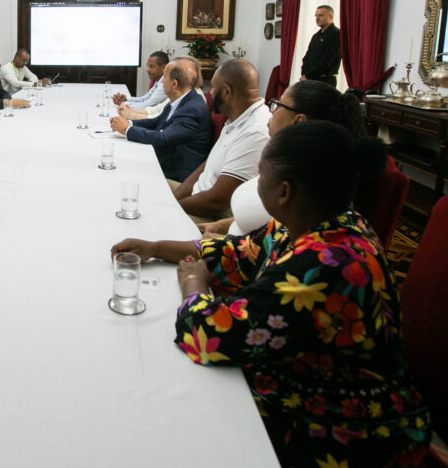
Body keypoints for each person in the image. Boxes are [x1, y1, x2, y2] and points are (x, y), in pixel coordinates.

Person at [111, 122, 431, 467]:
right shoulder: (318, 221)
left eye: (261, 175)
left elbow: (211, 335)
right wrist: (156, 247)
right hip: (312, 383)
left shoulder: (323, 267)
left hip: (346, 428)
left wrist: (193, 283)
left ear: (284, 192)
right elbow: (238, 252)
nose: (256, 182)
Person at [200, 81, 364, 237]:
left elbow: (270, 247)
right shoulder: (293, 163)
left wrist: (218, 243)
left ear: (298, 121)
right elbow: (268, 229)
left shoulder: (305, 184)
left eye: (278, 105)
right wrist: (220, 226)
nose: (271, 111)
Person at [173, 59, 271, 223]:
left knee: (148, 219)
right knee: (145, 188)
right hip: (198, 197)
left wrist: (171, 207)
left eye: (213, 87)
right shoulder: (238, 116)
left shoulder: (256, 131)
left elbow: (217, 202)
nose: (210, 93)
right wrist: (175, 199)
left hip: (212, 216)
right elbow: (207, 166)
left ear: (226, 91)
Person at [109, 57, 212, 182]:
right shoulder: (181, 99)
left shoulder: (192, 109)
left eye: (165, 77)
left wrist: (127, 129)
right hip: (165, 162)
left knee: (122, 173)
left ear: (174, 84)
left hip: (176, 175)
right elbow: (156, 122)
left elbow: (163, 138)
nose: (162, 81)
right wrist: (129, 123)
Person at [113, 51, 169, 119]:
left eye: (151, 67)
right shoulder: (158, 80)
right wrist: (125, 100)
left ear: (164, 68)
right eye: (147, 66)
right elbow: (144, 99)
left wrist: (124, 105)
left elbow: (148, 105)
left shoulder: (165, 84)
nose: (147, 70)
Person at [300, 5, 341, 87]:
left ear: (330, 17)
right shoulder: (316, 36)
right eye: (316, 16)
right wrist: (304, 75)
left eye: (321, 15)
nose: (317, 18)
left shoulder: (336, 34)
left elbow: (326, 61)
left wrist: (308, 76)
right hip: (309, 80)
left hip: (325, 81)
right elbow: (307, 58)